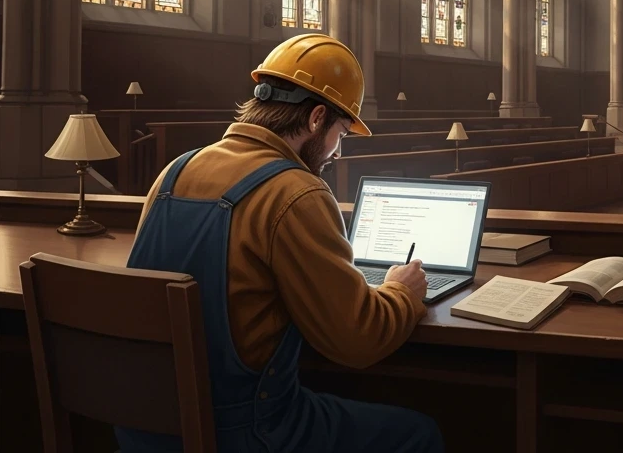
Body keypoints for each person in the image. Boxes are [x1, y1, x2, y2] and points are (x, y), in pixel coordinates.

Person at [117, 34, 442, 453]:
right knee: (418, 433)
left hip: (145, 430)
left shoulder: (174, 172)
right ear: (316, 118)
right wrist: (401, 291)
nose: (336, 153)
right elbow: (358, 340)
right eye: (341, 133)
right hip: (242, 433)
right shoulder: (296, 192)